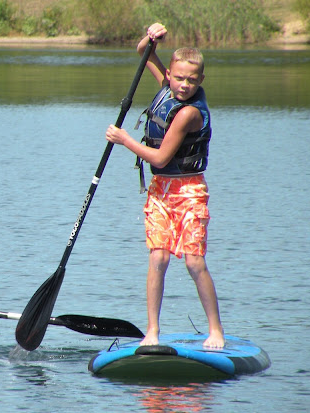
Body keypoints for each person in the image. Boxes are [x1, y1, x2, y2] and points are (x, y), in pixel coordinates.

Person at [105, 23, 225, 348]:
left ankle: (216, 330)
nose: (184, 85)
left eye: (192, 80)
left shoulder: (189, 113)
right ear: (170, 75)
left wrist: (125, 139)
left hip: (189, 192)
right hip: (160, 192)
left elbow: (159, 158)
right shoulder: (166, 89)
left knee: (193, 262)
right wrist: (150, 36)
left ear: (201, 80)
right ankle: (152, 332)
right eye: (179, 78)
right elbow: (143, 53)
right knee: (158, 259)